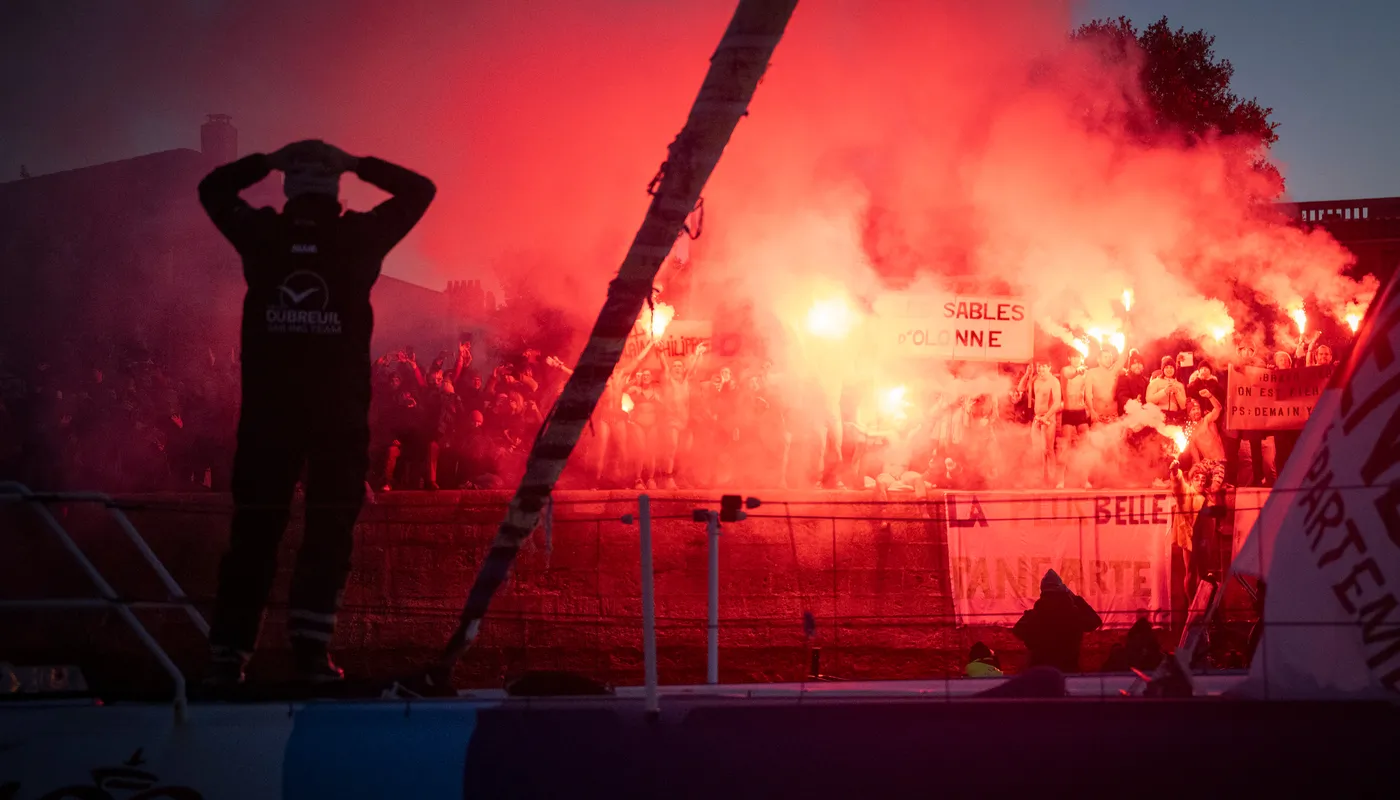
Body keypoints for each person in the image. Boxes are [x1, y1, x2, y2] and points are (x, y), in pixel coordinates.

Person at [199, 139, 435, 685]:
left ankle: (227, 658)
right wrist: (358, 163)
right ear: (335, 190)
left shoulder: (263, 235)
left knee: (254, 533)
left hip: (268, 415)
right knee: (329, 532)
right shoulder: (359, 238)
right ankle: (311, 656)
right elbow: (420, 190)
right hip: (338, 418)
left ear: (287, 189)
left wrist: (268, 159)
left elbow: (211, 189)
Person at [1012, 569, 1103, 673]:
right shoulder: (1073, 615)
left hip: (1041, 672)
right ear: (1063, 592)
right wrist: (1076, 599)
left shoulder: (1035, 615)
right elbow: (1094, 622)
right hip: (1068, 671)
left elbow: (1017, 631)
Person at [1026, 361, 1061, 487]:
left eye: (1043, 369)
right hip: (1037, 418)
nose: (1040, 371)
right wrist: (1027, 374)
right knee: (1037, 450)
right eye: (1038, 369)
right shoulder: (1036, 381)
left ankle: (1052, 479)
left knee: (1048, 449)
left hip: (1048, 418)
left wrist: (1046, 417)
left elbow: (1057, 403)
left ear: (1049, 367)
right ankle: (1040, 478)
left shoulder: (1054, 382)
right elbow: (1021, 389)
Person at [1146, 357, 1187, 424]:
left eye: (1171, 367)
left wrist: (1177, 392)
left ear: (1174, 369)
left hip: (1175, 416)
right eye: (1166, 367)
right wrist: (1164, 391)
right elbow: (1149, 400)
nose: (1169, 369)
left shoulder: (1179, 385)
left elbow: (1184, 406)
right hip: (1159, 415)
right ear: (1163, 369)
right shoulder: (1155, 382)